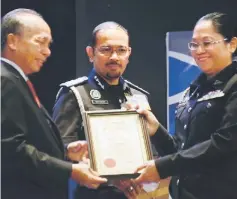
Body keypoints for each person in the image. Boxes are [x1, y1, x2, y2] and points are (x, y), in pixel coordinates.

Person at [129, 12, 237, 199]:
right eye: (194, 44)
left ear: (232, 44)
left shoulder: (233, 85)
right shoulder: (193, 90)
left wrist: (162, 167)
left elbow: (224, 143)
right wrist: (156, 130)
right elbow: (182, 149)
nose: (199, 50)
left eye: (207, 42)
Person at [1, 8, 107, 199]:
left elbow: (28, 141)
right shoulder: (5, 80)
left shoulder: (16, 79)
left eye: (49, 45)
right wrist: (69, 170)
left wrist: (64, 152)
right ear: (12, 41)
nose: (47, 52)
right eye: (40, 42)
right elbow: (10, 149)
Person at [52, 21, 151, 199]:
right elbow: (58, 152)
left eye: (121, 50)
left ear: (129, 53)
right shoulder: (74, 93)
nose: (114, 57)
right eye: (106, 49)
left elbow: (151, 151)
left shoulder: (139, 96)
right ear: (91, 53)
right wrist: (112, 178)